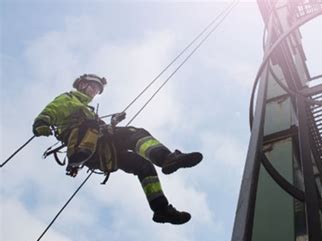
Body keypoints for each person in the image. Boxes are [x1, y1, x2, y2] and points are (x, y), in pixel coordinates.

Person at [32, 74, 202, 225]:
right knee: (135, 133)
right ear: (81, 85)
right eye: (92, 86)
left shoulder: (89, 111)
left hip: (98, 150)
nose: (93, 91)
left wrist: (113, 122)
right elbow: (54, 109)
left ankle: (161, 209)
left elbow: (100, 130)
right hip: (88, 145)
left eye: (97, 90)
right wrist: (42, 122)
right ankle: (166, 158)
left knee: (142, 165)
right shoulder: (70, 99)